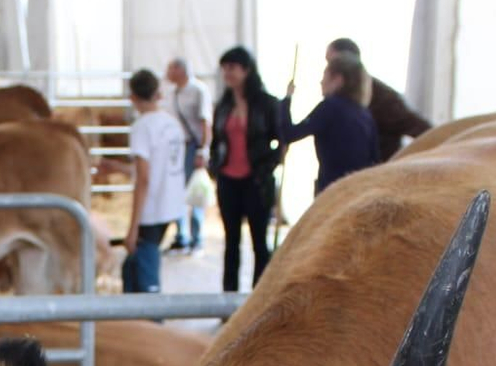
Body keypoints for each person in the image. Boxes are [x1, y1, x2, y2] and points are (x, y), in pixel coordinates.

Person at [208, 46, 284, 292]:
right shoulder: (223, 105)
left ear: (246, 70)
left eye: (231, 68)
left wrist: (269, 163)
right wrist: (214, 167)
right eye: (224, 69)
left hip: (257, 181)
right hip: (228, 181)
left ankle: (258, 297)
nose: (226, 74)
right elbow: (216, 141)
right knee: (231, 242)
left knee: (259, 244)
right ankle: (228, 299)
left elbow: (282, 140)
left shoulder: (267, 104)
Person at [123, 68, 187, 294]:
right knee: (130, 266)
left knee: (145, 268)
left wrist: (132, 229)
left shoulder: (142, 127)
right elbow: (161, 165)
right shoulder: (172, 124)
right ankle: (134, 316)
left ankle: (153, 319)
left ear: (133, 98)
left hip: (151, 209)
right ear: (157, 94)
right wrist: (116, 167)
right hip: (171, 203)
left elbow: (144, 178)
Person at [280, 54, 378, 196]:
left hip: (333, 191)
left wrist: (287, 99)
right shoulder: (365, 114)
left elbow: (289, 134)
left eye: (325, 75)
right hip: (360, 191)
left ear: (338, 80)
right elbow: (375, 159)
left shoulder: (329, 107)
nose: (321, 81)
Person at [325, 37, 429, 161]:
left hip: (379, 173)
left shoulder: (384, 98)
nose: (327, 70)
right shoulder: (335, 104)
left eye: (332, 63)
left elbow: (424, 130)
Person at [162, 58, 208, 253]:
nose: (167, 72)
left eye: (170, 68)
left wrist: (202, 150)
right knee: (176, 191)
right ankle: (181, 236)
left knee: (195, 191)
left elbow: (206, 123)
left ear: (180, 69)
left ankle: (197, 238)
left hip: (192, 146)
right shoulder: (172, 93)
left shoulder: (198, 90)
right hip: (175, 148)